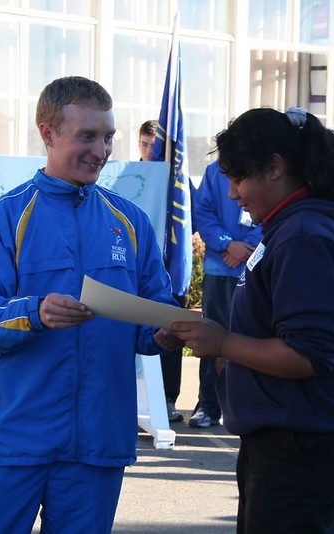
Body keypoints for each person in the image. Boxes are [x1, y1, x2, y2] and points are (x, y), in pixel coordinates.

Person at [0, 76, 181, 533]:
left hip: (98, 442)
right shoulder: (5, 217)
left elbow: (150, 314)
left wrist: (164, 332)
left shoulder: (130, 222)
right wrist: (36, 313)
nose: (101, 150)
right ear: (48, 133)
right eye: (87, 136)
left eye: (109, 136)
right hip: (11, 439)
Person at [172, 107, 334, 532]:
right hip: (290, 440)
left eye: (238, 178)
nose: (231, 194)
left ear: (275, 168)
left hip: (305, 446)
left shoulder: (305, 236)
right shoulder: (291, 227)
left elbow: (308, 354)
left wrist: (223, 344)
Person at [190, 159, 262, 428]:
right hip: (219, 269)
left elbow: (272, 212)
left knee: (251, 337)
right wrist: (227, 245)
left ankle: (247, 405)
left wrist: (249, 246)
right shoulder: (213, 171)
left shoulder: (261, 167)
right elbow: (202, 212)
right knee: (212, 335)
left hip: (254, 266)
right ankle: (208, 406)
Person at [139, 118, 184, 422]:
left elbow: (187, 213)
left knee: (167, 325)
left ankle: (168, 397)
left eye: (154, 145)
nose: (148, 150)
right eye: (144, 144)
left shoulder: (173, 179)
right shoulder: (132, 174)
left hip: (168, 262)